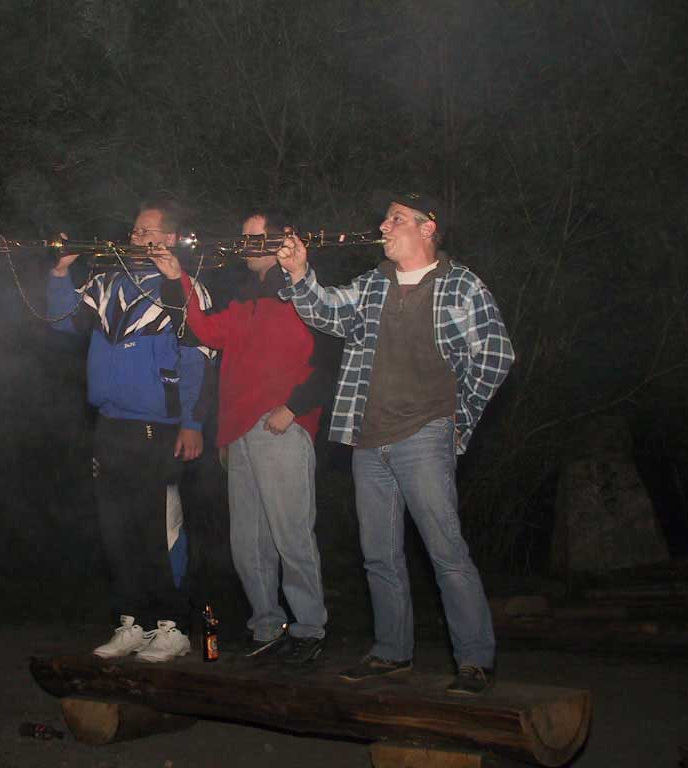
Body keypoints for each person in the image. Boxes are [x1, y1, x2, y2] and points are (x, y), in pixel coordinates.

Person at [275, 192, 514, 695]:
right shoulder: (374, 283)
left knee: (445, 551)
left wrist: (457, 416)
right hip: (368, 439)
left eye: (396, 219)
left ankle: (474, 660)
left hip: (425, 434)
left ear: (428, 229)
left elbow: (495, 354)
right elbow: (327, 312)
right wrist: (299, 272)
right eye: (385, 219)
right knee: (379, 556)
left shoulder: (460, 284)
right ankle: (392, 652)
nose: (384, 226)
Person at [153, 210, 338, 665]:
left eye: (254, 239)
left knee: (291, 536)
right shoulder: (245, 298)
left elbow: (331, 357)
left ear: (282, 240)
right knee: (248, 544)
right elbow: (204, 330)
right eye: (244, 238)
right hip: (238, 434)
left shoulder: (305, 291)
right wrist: (178, 278)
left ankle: (309, 629)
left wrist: (294, 407)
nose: (244, 246)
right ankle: (267, 628)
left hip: (281, 429)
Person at [47, 200, 213, 663]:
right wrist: (60, 273)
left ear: (169, 238)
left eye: (146, 231)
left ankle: (173, 627)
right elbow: (63, 323)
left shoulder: (184, 288)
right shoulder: (105, 283)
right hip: (110, 425)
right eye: (135, 230)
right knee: (116, 530)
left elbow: (197, 360)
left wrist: (192, 422)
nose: (135, 237)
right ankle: (132, 621)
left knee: (160, 529)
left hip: (159, 428)